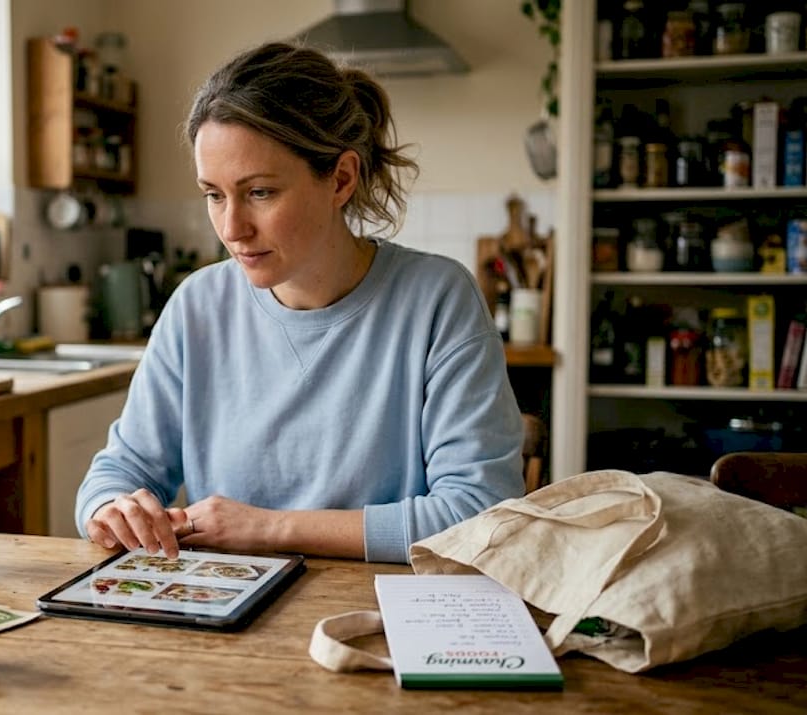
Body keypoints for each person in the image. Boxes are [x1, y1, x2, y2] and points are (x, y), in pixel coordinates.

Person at [76, 41, 524, 564]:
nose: (232, 228)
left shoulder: (437, 300)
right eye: (214, 195)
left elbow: (478, 512)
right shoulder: (197, 305)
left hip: (382, 614)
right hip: (226, 613)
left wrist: (270, 529)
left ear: (340, 179)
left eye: (260, 192)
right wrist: (112, 507)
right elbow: (116, 473)